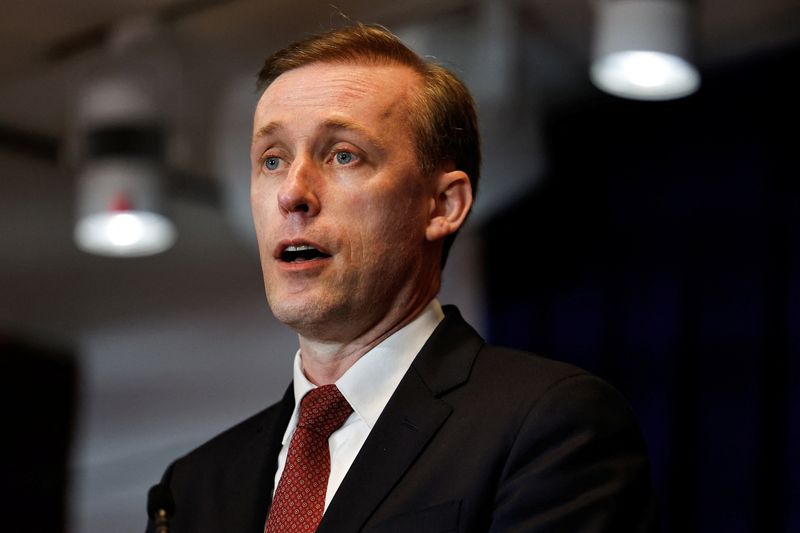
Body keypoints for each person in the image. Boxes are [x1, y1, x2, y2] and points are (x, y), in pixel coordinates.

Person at [146, 23, 659, 533]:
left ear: (442, 204)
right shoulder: (192, 488)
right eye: (272, 160)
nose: (291, 193)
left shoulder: (547, 425)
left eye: (343, 154)